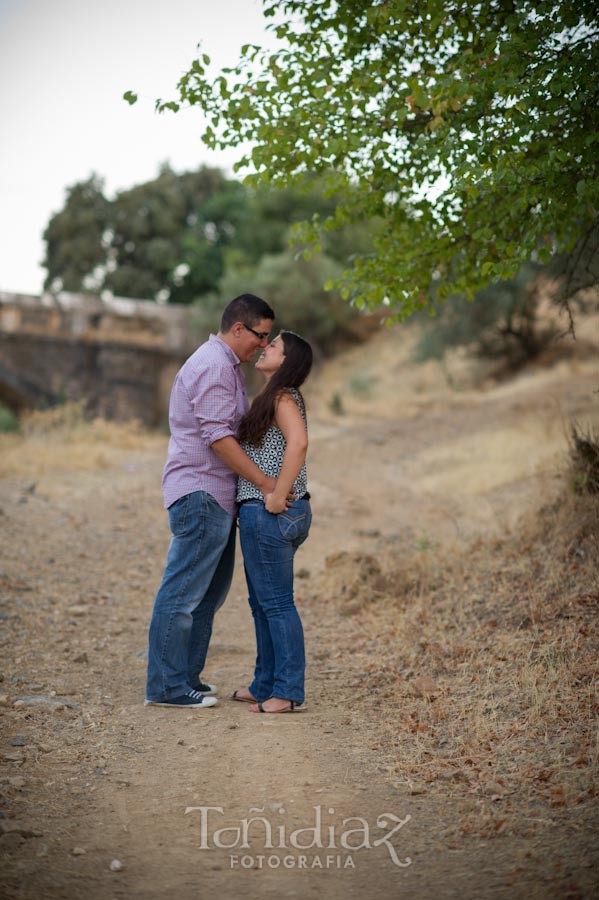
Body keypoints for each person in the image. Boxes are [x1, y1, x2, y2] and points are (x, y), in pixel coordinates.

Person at [145, 294, 279, 709]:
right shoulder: (214, 366)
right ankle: (166, 687)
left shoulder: (226, 366)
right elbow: (219, 438)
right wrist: (266, 483)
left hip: (215, 496)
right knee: (183, 592)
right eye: (261, 335)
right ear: (238, 328)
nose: (263, 344)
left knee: (207, 596)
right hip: (201, 492)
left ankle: (185, 677)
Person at [231, 330, 313, 713]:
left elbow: (297, 443)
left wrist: (278, 494)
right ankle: (264, 683)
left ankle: (286, 692)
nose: (266, 347)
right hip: (263, 513)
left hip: (270, 512)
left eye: (275, 346)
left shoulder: (282, 397)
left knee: (276, 604)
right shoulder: (273, 397)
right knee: (262, 604)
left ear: (287, 361)